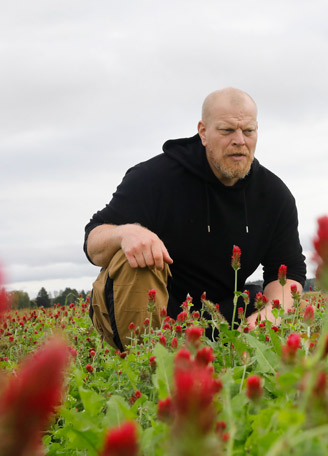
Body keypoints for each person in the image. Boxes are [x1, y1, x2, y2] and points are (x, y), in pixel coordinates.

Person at [83, 87, 306, 351]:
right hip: (155, 313)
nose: (239, 141)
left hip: (220, 314)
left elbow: (288, 271)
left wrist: (270, 315)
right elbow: (93, 241)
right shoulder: (154, 178)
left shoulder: (274, 196)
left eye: (248, 131)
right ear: (203, 132)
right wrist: (125, 233)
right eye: (226, 131)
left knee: (280, 301)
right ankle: (147, 365)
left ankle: (231, 357)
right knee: (132, 257)